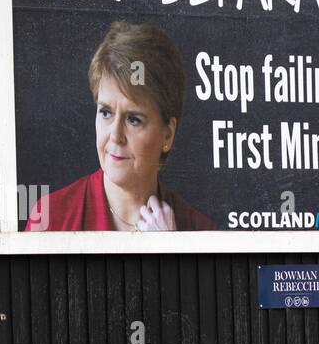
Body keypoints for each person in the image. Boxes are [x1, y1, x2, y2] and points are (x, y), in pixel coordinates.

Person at [25, 22, 215, 232]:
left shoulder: (200, 231)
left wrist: (171, 254)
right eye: (105, 112)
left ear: (167, 135)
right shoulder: (51, 219)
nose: (115, 135)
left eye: (133, 119)